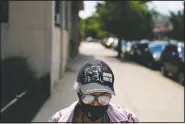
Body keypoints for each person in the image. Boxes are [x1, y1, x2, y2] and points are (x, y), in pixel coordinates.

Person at [49, 59, 139, 123]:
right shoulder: (58, 120)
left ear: (110, 96)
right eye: (89, 97)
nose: (96, 103)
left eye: (103, 97)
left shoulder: (128, 120)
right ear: (79, 93)